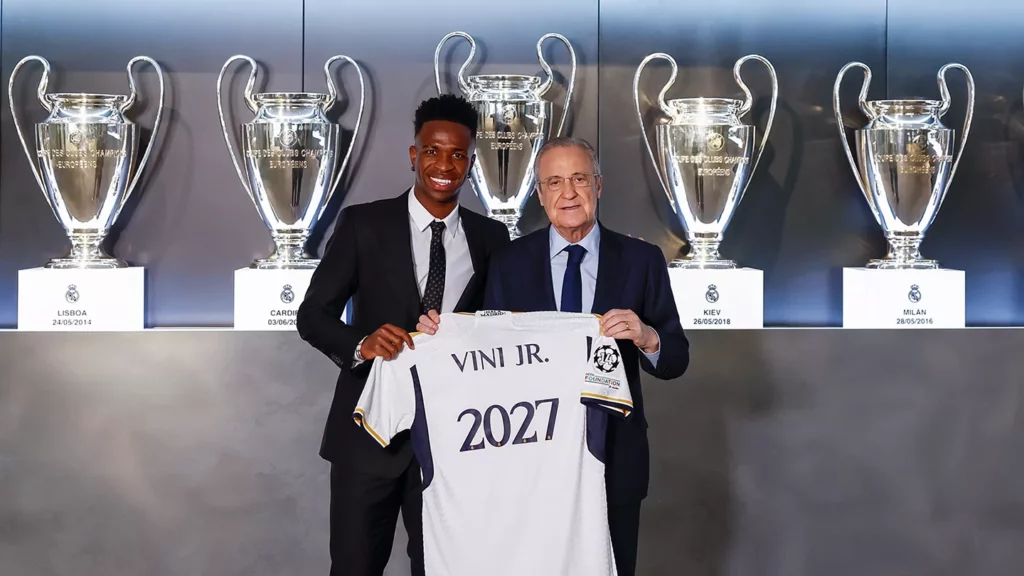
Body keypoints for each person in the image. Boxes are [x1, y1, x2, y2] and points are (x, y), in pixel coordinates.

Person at [416, 136, 689, 576]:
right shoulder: (508, 262)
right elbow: (483, 348)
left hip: (614, 460)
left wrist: (647, 337)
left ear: (598, 186)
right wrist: (440, 335)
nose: (568, 193)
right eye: (555, 182)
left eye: (579, 179)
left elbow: (677, 358)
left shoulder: (642, 259)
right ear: (540, 195)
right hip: (529, 463)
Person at [296, 93, 510, 576]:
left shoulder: (492, 239)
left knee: (441, 569)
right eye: (433, 151)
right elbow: (312, 315)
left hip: (453, 441)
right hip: (367, 435)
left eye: (458, 154)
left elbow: (502, 328)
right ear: (414, 154)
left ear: (471, 162)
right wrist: (361, 343)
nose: (444, 164)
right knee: (354, 567)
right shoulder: (363, 225)